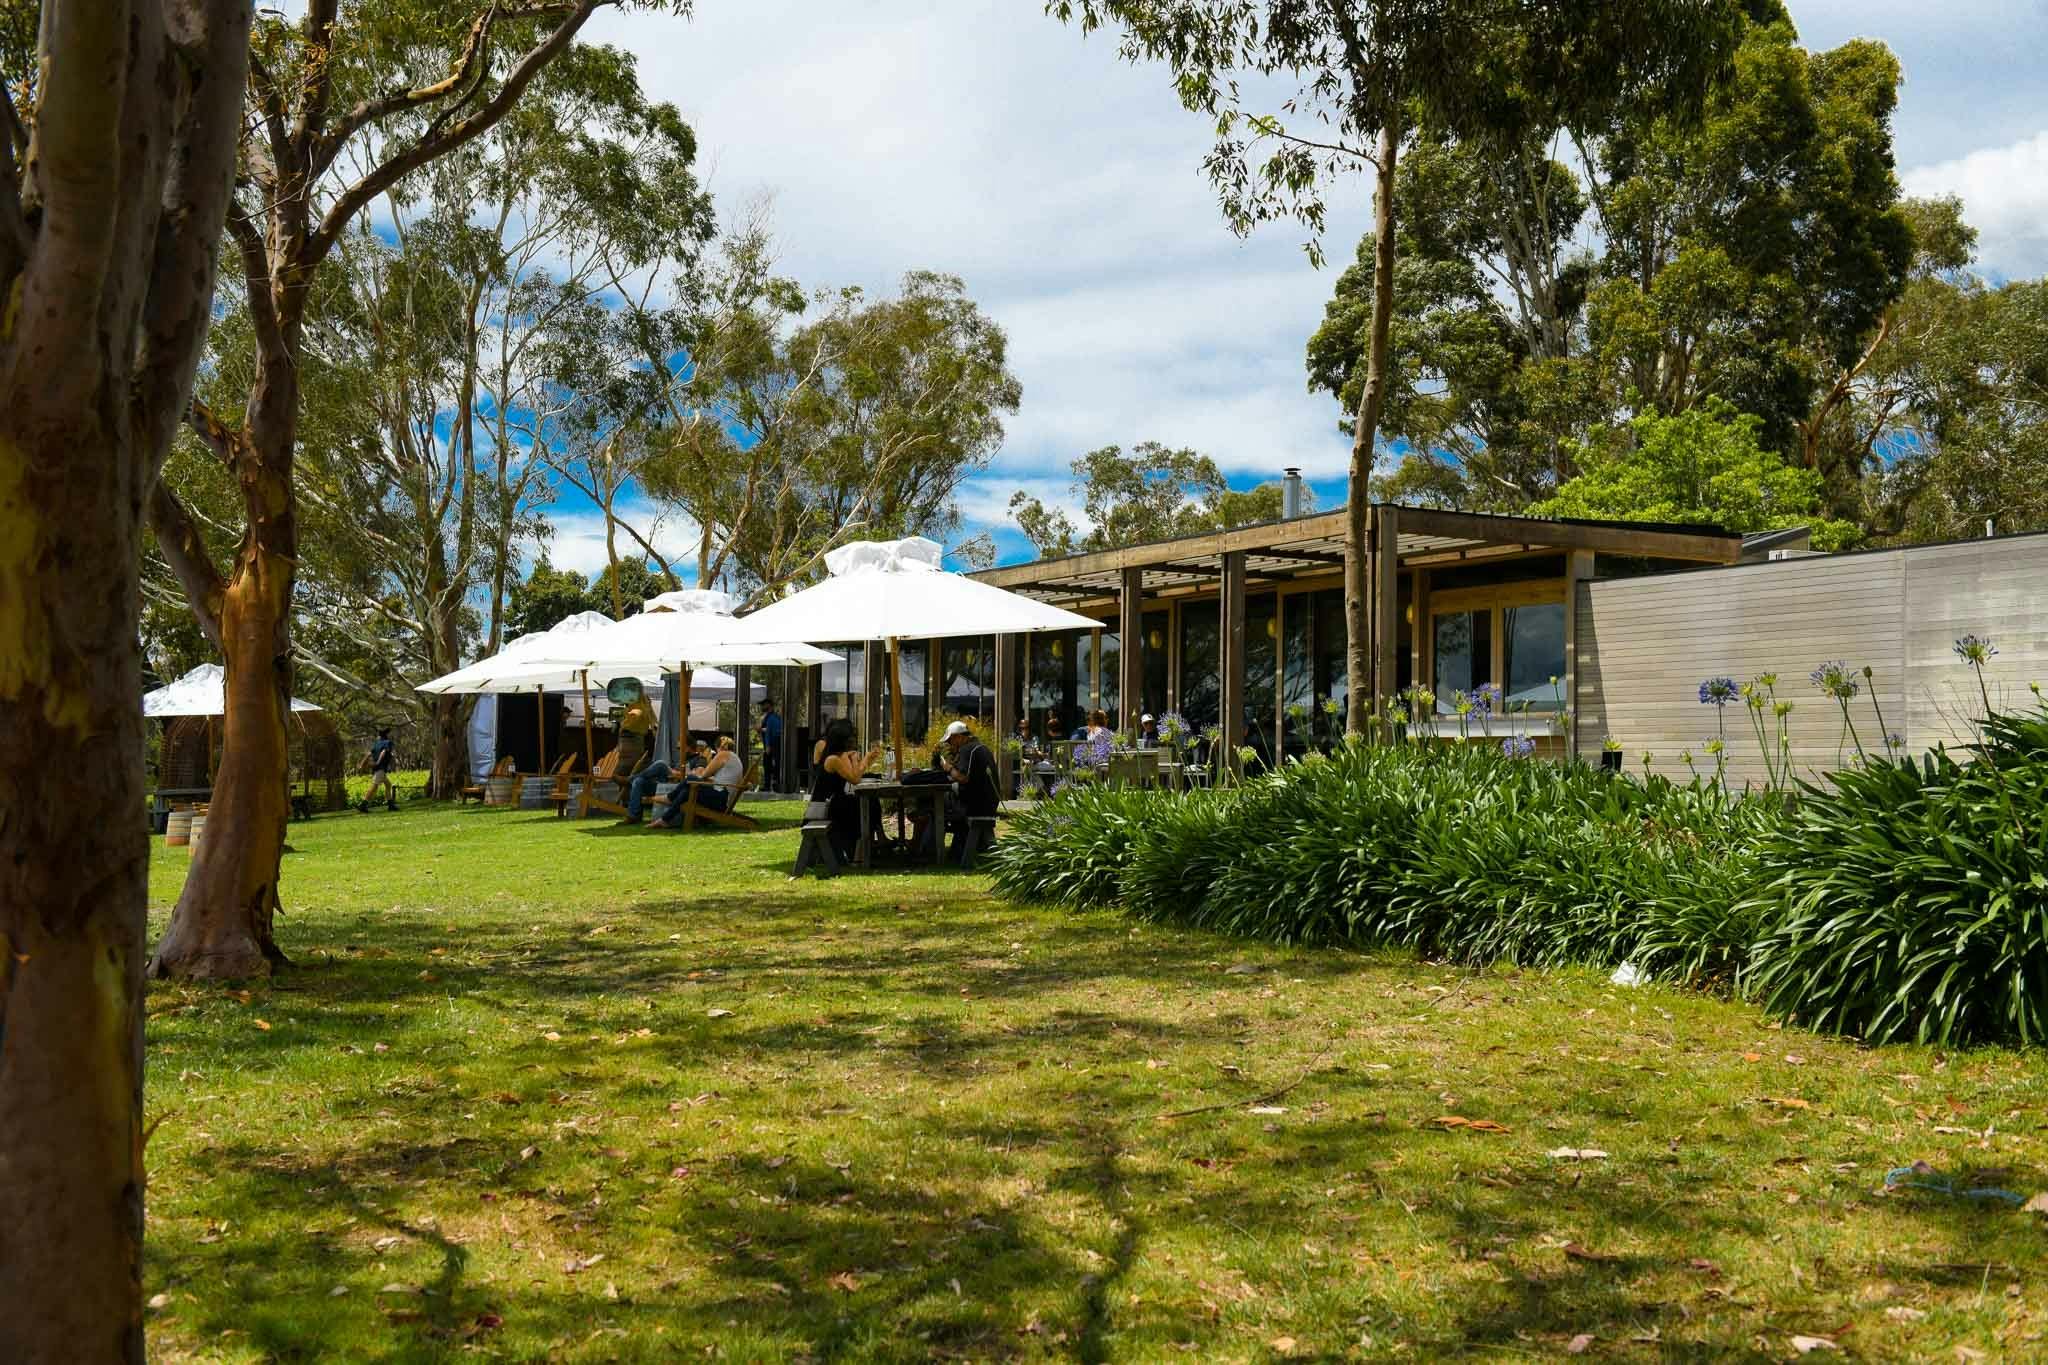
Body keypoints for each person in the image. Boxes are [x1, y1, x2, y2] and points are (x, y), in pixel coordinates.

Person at [809, 720, 881, 862]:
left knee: (871, 803)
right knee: (867, 806)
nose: (853, 743)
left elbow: (855, 774)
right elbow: (855, 779)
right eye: (851, 740)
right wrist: (863, 759)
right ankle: (860, 853)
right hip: (826, 807)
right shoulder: (833, 759)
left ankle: (863, 849)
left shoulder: (839, 756)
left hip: (835, 802)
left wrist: (862, 760)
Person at [938, 720, 1000, 863]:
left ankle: (933, 851)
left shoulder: (967, 749)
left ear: (958, 737)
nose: (950, 744)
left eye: (950, 740)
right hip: (988, 803)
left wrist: (948, 768)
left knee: (937, 805)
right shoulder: (981, 747)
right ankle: (957, 850)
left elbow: (963, 777)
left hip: (977, 806)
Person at [652, 735, 742, 827]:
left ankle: (669, 798)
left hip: (721, 800)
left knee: (691, 778)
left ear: (718, 747)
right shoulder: (734, 758)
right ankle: (664, 820)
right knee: (686, 792)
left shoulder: (723, 754)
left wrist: (699, 771)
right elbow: (720, 779)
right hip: (724, 799)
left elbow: (703, 774)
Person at [612, 679, 658, 780]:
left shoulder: (638, 699)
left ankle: (629, 782)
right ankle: (629, 782)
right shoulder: (639, 699)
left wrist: (654, 726)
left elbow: (648, 714)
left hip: (631, 735)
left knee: (626, 768)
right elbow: (650, 714)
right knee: (629, 767)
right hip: (632, 735)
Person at [358, 727, 398, 813]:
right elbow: (383, 752)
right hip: (380, 768)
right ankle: (363, 805)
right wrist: (378, 762)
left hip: (378, 768)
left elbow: (368, 754)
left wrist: (361, 764)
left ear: (380, 736)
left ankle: (391, 805)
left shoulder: (376, 744)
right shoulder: (388, 743)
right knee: (374, 786)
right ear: (386, 735)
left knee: (388, 785)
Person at [757, 700, 783, 790]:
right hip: (770, 743)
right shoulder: (767, 717)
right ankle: (768, 784)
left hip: (774, 743)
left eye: (763, 705)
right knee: (768, 764)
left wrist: (768, 745)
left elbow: (770, 732)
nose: (762, 707)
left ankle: (774, 783)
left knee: (774, 764)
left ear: (769, 705)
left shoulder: (773, 717)